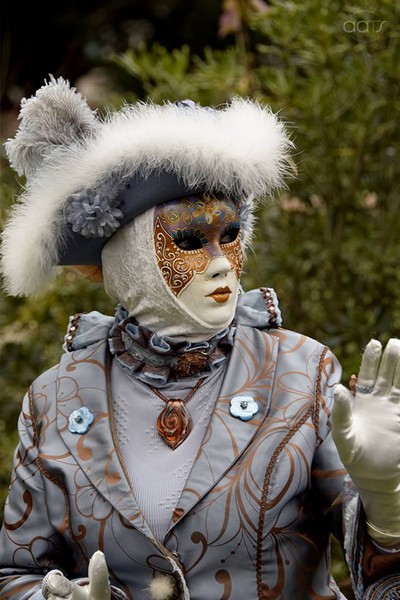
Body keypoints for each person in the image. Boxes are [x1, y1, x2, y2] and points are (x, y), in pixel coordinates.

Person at [0, 76, 399, 600]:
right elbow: (15, 573)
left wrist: (387, 507)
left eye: (230, 235)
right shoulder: (54, 399)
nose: (219, 264)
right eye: (189, 239)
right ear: (127, 255)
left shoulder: (304, 373)